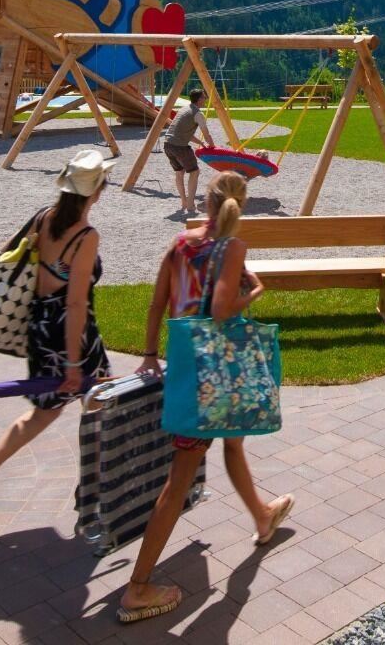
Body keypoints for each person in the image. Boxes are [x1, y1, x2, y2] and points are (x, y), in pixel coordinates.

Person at [119, 172, 293, 624]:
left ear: (208, 202)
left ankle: (261, 515)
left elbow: (158, 302)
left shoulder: (183, 242)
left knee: (233, 438)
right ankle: (137, 588)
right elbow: (219, 310)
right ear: (243, 205)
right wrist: (254, 290)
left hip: (185, 367)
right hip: (212, 380)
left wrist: (149, 354)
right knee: (178, 483)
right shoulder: (232, 248)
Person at [0, 148, 114, 529]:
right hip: (72, 335)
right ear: (96, 191)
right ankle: (90, 494)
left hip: (39, 326)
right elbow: (75, 303)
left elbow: (7, 252)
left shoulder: (44, 217)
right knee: (101, 405)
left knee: (44, 413)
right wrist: (74, 362)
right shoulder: (86, 236)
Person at [163, 91, 216, 214]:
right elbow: (206, 134)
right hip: (179, 147)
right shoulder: (198, 114)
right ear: (199, 99)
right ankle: (191, 204)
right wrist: (213, 146)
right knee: (194, 172)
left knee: (179, 172)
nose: (205, 99)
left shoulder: (184, 109)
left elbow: (184, 132)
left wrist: (201, 143)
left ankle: (184, 202)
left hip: (168, 144)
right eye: (204, 97)